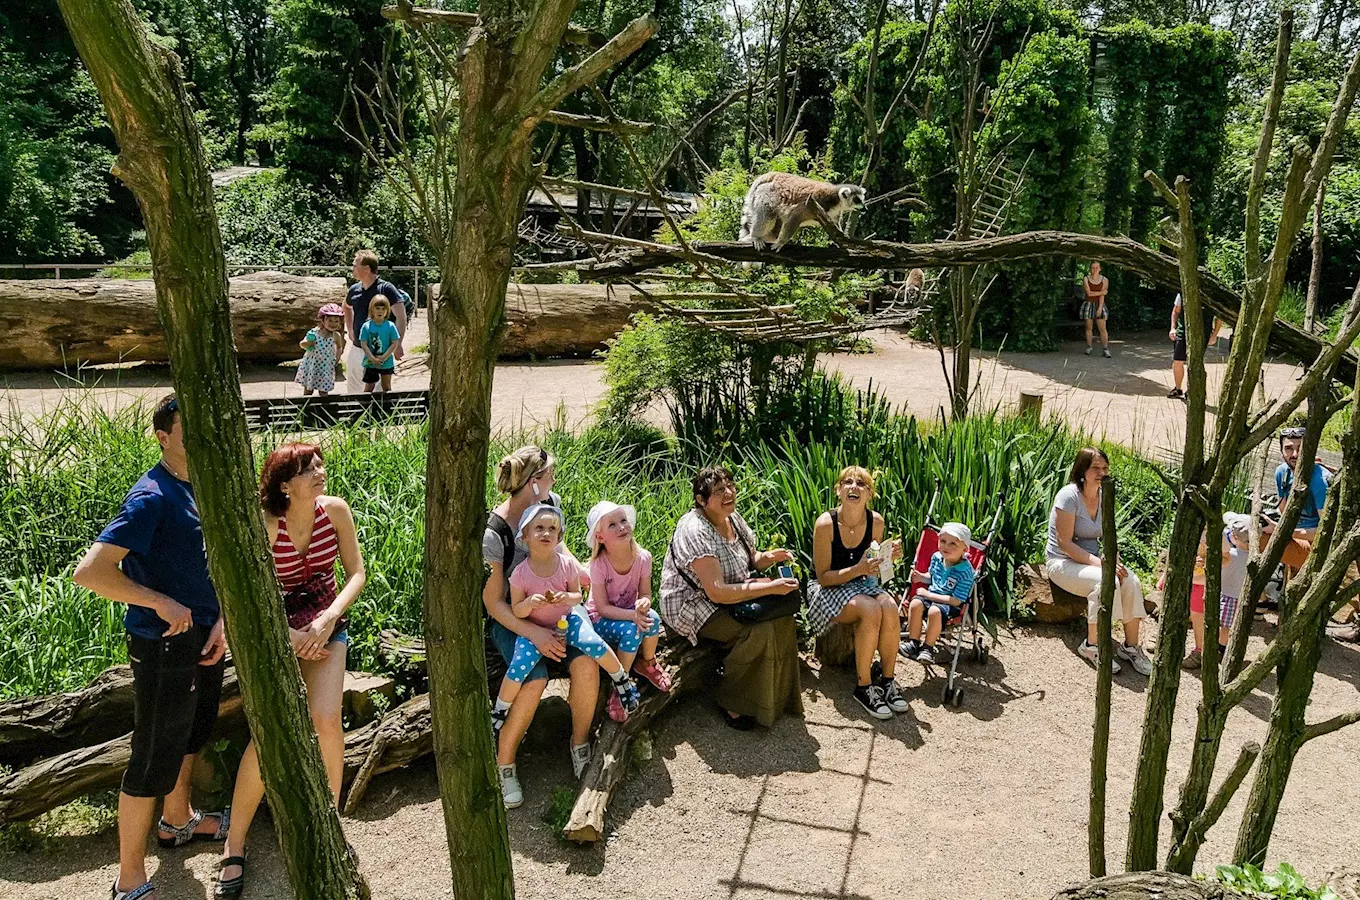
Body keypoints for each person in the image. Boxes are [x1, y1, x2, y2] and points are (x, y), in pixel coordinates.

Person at [72, 394, 229, 900]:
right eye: (189, 428)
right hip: (162, 646)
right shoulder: (152, 496)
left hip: (204, 638)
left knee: (191, 735)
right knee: (150, 755)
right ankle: (129, 879)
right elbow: (91, 573)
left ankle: (176, 820)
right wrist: (161, 602)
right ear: (164, 437)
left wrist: (221, 620)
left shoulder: (199, 486)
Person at [214, 443, 365, 898]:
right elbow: (246, 593)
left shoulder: (334, 511)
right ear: (284, 484)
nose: (320, 472)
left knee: (325, 720)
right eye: (308, 469)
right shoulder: (266, 522)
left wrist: (328, 619)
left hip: (325, 620)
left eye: (320, 464)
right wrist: (289, 637)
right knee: (274, 728)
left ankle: (330, 823)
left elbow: (356, 573)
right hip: (273, 627)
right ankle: (234, 843)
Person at [483, 445, 599, 809]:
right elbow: (492, 601)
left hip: (557, 610)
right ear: (533, 483)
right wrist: (532, 632)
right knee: (533, 679)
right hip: (514, 617)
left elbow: (560, 549)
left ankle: (579, 744)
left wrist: (582, 574)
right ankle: (504, 762)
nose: (554, 482)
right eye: (549, 476)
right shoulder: (495, 532)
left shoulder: (551, 505)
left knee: (585, 662)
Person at [660, 466, 802, 730]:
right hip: (693, 604)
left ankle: (775, 698)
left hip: (730, 591)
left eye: (730, 486)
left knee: (781, 619)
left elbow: (751, 559)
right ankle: (733, 702)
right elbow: (716, 591)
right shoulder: (695, 530)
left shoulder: (732, 518)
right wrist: (771, 588)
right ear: (701, 501)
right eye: (718, 491)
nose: (729, 493)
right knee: (757, 630)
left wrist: (770, 557)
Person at [493, 503, 643, 734]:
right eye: (539, 528)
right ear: (526, 535)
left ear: (559, 535)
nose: (546, 533)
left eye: (552, 529)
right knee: (519, 666)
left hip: (566, 621)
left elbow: (577, 596)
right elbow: (518, 611)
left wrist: (566, 597)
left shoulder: (565, 564)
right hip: (534, 628)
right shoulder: (520, 574)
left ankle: (621, 680)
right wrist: (529, 603)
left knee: (593, 644)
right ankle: (500, 709)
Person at [805, 467, 906, 720]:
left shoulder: (876, 521)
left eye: (861, 484)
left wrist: (887, 558)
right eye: (847, 482)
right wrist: (859, 568)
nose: (854, 487)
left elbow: (875, 571)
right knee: (870, 608)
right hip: (827, 589)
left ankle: (887, 680)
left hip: (861, 583)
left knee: (890, 606)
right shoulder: (826, 524)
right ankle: (863, 686)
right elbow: (824, 578)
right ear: (838, 490)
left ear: (869, 494)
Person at [1045, 447, 1153, 676]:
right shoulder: (1069, 496)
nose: (1102, 472)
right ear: (1082, 470)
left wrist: (1115, 561)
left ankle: (1131, 647)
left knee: (1131, 580)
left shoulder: (1105, 496)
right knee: (1107, 582)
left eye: (1105, 467)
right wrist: (1102, 565)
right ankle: (1092, 645)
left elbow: (1109, 537)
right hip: (1063, 562)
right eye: (1096, 468)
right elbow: (1064, 543)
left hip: (1093, 562)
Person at [585, 501, 671, 723]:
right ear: (600, 537)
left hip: (628, 614)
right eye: (612, 525)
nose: (622, 527)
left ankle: (648, 662)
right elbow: (601, 608)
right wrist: (633, 615)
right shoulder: (599, 565)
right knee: (633, 630)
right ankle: (620, 684)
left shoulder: (643, 557)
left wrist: (642, 604)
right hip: (602, 619)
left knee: (652, 617)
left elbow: (645, 594)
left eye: (623, 521)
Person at [1182, 514, 1250, 670]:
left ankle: (1201, 650)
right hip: (1183, 579)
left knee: (1199, 615)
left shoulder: (1217, 534)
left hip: (1201, 582)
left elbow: (1226, 559)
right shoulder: (1185, 526)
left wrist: (1207, 562)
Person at [903, 522, 975, 667]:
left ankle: (927, 648)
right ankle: (913, 642)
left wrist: (928, 595)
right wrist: (920, 577)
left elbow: (956, 601)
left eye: (952, 544)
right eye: (943, 541)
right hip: (932, 595)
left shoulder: (966, 572)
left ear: (965, 548)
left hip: (949, 604)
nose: (946, 547)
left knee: (934, 610)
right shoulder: (937, 557)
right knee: (915, 603)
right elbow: (933, 577)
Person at [342, 249, 406, 393]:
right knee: (353, 388)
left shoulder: (386, 289)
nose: (352, 268)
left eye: (354, 265)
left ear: (366, 268)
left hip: (379, 351)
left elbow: (401, 316)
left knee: (376, 391)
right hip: (357, 348)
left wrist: (398, 343)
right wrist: (351, 330)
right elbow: (346, 307)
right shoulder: (354, 290)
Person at [295, 303, 345, 396]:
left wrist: (336, 359)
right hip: (313, 364)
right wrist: (308, 343)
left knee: (323, 391)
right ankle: (306, 408)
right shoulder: (314, 333)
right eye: (330, 320)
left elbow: (339, 347)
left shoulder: (335, 335)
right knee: (308, 389)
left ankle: (322, 408)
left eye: (336, 321)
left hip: (326, 366)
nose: (333, 324)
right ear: (322, 320)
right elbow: (303, 344)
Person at [358, 296, 400, 394]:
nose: (380, 311)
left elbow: (394, 343)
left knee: (386, 387)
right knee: (369, 388)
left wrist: (384, 357)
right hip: (370, 362)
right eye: (377, 308)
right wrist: (372, 358)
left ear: (387, 310)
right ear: (372, 309)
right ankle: (366, 407)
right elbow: (364, 344)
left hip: (386, 362)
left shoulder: (390, 326)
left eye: (383, 309)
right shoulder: (366, 326)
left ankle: (387, 408)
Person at [1081, 262, 1111, 358]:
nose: (1094, 269)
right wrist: (1101, 292)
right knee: (1089, 327)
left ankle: (1105, 348)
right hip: (1088, 304)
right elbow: (1089, 293)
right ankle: (1089, 347)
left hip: (1100, 304)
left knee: (1102, 328)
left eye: (1096, 267)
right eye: (1093, 267)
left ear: (1100, 268)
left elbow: (1102, 295)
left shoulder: (1104, 280)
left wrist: (1100, 308)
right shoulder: (1086, 279)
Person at [1168, 293, 1189, 399]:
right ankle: (1178, 388)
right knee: (1177, 361)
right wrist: (1173, 328)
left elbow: (1219, 317)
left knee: (1195, 363)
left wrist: (1214, 334)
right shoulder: (1182, 293)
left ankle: (1192, 390)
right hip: (1182, 332)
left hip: (1201, 333)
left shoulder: (1211, 293)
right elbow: (1176, 311)